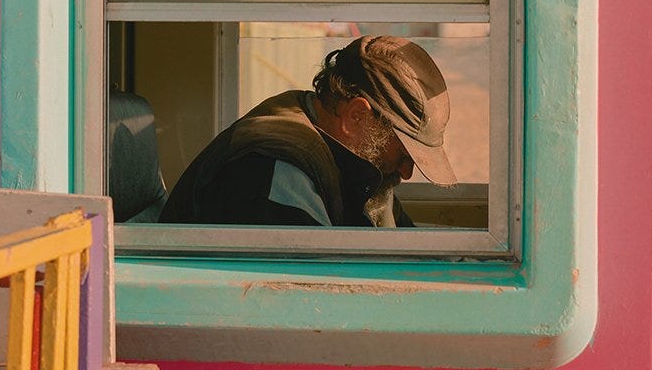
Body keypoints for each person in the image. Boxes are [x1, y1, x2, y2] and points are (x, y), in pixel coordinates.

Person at [159, 35, 455, 228]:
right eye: (404, 153)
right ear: (356, 117)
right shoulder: (273, 172)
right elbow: (309, 297)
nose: (407, 172)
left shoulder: (360, 160)